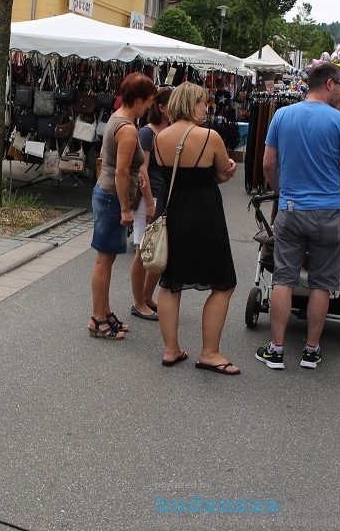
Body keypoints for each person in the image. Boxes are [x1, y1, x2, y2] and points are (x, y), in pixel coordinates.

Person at [257, 63, 340, 370]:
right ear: (329, 84)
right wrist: (339, 198)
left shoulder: (283, 115)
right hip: (328, 211)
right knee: (321, 283)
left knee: (284, 277)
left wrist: (281, 192)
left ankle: (276, 349)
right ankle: (311, 350)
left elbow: (268, 164)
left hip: (291, 208)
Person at [151, 83, 239, 373]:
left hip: (172, 211)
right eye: (203, 103)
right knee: (223, 283)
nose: (206, 108)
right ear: (192, 104)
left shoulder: (160, 137)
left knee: (170, 282)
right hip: (204, 214)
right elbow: (221, 174)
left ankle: (170, 349)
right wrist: (229, 170)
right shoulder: (209, 136)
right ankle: (210, 352)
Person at [89, 72, 157, 340]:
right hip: (111, 198)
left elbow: (113, 161)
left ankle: (104, 312)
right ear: (138, 99)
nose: (149, 107)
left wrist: (132, 179)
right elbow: (119, 172)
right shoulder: (127, 129)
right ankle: (97, 317)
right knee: (104, 260)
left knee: (107, 258)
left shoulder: (116, 118)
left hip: (107, 194)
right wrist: (126, 208)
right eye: (148, 102)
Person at [128, 86, 172, 321]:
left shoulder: (169, 131)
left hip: (162, 196)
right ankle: (138, 302)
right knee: (143, 251)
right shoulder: (147, 133)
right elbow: (142, 169)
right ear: (162, 107)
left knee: (159, 251)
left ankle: (146, 297)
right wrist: (148, 201)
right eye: (171, 104)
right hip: (150, 197)